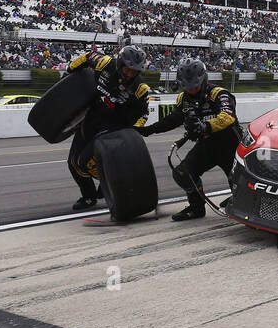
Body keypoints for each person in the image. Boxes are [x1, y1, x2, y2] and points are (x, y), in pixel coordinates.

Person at [139, 57, 239, 220]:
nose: (192, 90)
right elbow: (172, 120)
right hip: (206, 146)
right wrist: (148, 130)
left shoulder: (218, 94)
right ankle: (196, 208)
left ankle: (239, 200)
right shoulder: (183, 98)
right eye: (187, 87)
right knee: (182, 173)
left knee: (237, 180)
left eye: (195, 86)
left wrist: (205, 126)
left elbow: (228, 116)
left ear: (203, 79)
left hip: (229, 145)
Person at [65, 44, 152, 211]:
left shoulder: (141, 89)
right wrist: (69, 71)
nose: (130, 74)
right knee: (72, 163)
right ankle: (89, 197)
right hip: (91, 119)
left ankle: (111, 183)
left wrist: (134, 131)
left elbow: (144, 114)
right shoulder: (104, 63)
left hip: (114, 128)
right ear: (120, 63)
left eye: (135, 71)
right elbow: (87, 56)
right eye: (127, 69)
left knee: (84, 162)